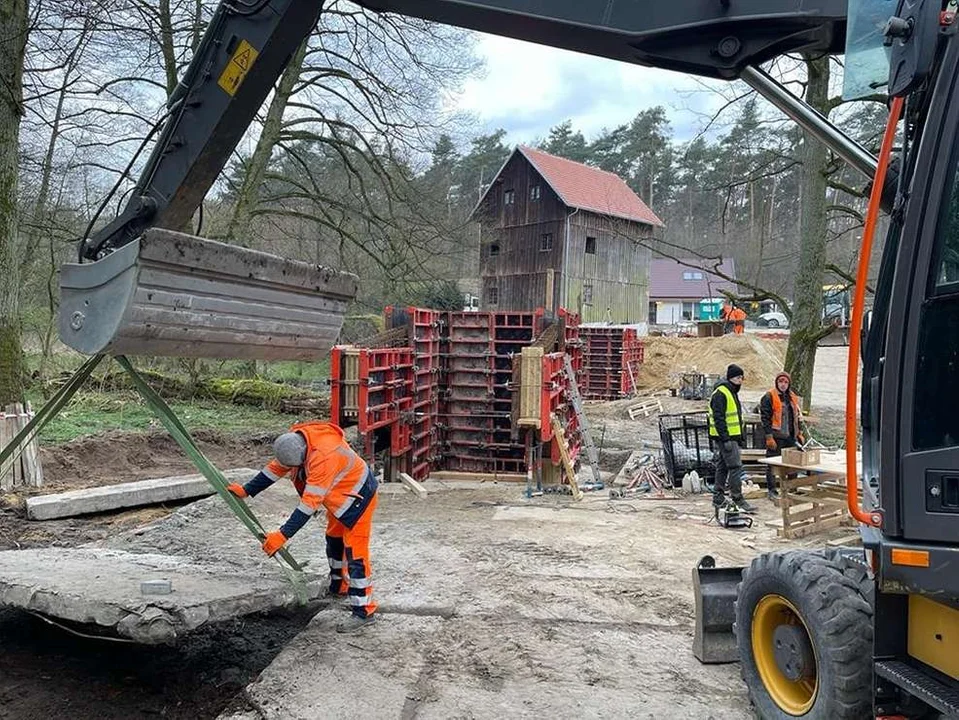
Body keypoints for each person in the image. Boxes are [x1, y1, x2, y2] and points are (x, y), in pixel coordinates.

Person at [227, 421, 379, 633]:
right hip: (338, 497)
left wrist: (282, 535)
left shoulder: (324, 457)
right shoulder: (297, 442)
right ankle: (339, 586)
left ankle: (364, 611)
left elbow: (308, 505)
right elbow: (276, 467)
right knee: (334, 540)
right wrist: (247, 490)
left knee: (356, 554)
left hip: (358, 498)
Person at [708, 364, 757, 515]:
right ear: (730, 378)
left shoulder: (730, 392)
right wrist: (726, 439)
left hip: (730, 437)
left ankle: (718, 497)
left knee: (722, 467)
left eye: (742, 378)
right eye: (737, 378)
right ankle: (737, 498)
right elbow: (719, 418)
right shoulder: (722, 393)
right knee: (735, 467)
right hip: (726, 438)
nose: (740, 381)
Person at [760, 371, 804, 499]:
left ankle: (791, 489)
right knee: (772, 464)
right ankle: (772, 491)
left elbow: (797, 417)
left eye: (785, 382)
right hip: (776, 436)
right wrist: (769, 437)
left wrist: (799, 433)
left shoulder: (792, 397)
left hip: (790, 436)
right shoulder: (769, 396)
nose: (783, 384)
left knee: (792, 464)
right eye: (781, 381)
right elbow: (765, 419)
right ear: (776, 382)